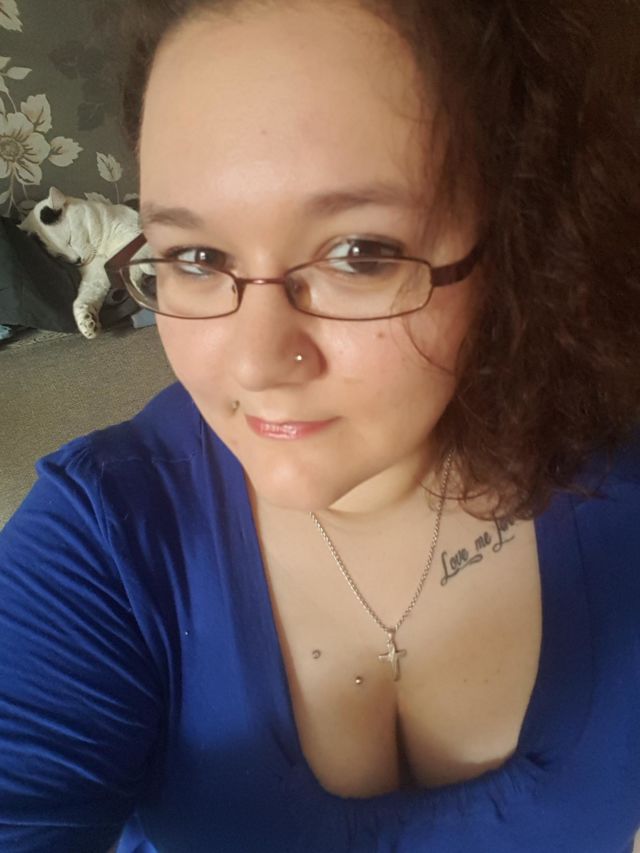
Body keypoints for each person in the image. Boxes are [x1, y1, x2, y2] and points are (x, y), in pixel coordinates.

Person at [1, 0, 639, 850]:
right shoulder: (103, 547)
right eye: (196, 257)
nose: (255, 362)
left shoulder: (618, 474)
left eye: (359, 254)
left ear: (520, 238)